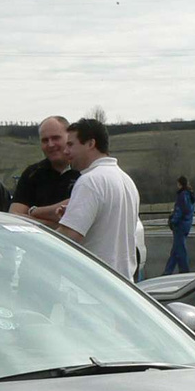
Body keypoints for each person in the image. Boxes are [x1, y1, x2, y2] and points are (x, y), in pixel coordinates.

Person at [57, 117, 141, 277]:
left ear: (90, 144)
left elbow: (68, 237)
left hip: (92, 290)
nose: (65, 151)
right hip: (123, 287)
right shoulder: (126, 180)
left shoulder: (89, 181)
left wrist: (37, 240)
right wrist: (73, 215)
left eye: (71, 144)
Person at [9, 115, 79, 226]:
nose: (50, 144)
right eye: (45, 140)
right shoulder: (32, 174)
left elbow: (79, 214)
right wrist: (55, 225)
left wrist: (33, 213)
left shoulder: (83, 173)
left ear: (69, 137)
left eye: (56, 138)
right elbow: (15, 216)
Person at [164, 176, 195, 273]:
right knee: (176, 250)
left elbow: (179, 211)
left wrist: (172, 220)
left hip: (180, 226)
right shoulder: (190, 195)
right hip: (186, 225)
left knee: (180, 250)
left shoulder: (182, 196)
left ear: (180, 184)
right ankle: (167, 271)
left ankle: (184, 271)